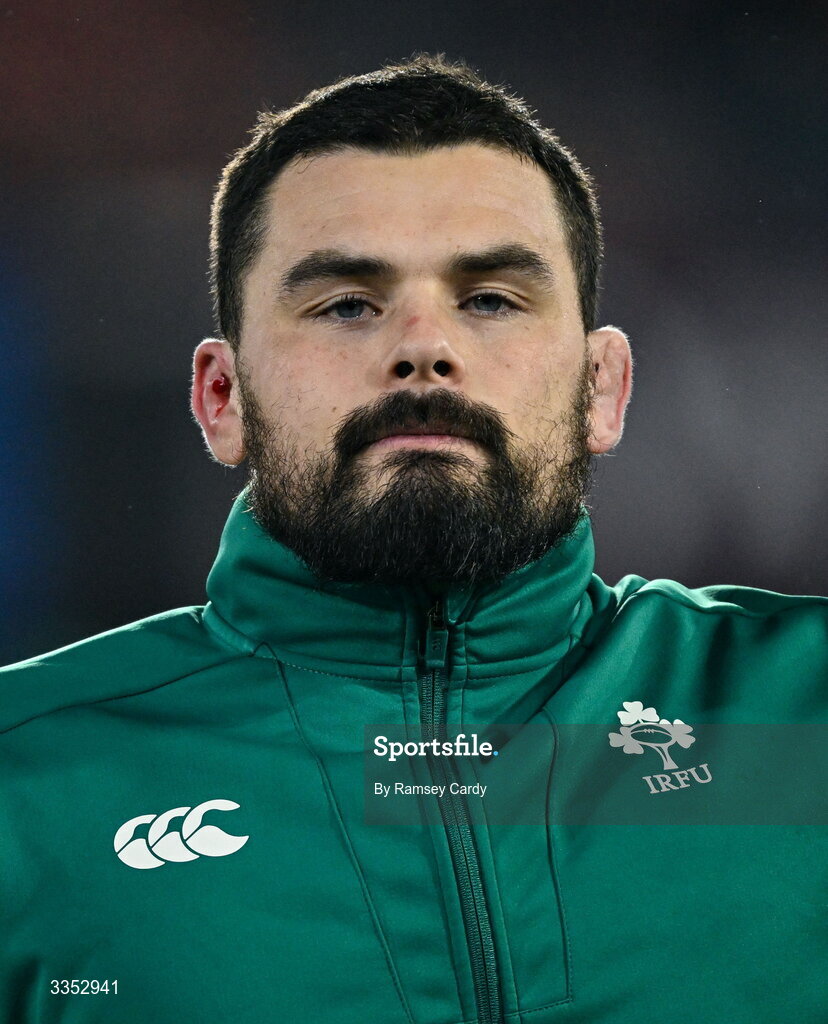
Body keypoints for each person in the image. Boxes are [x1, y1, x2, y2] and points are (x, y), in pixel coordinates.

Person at [1, 55, 825, 1024]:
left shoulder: (801, 715)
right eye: (347, 302)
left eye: (491, 299)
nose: (423, 347)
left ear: (603, 389)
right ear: (221, 398)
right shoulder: (28, 785)